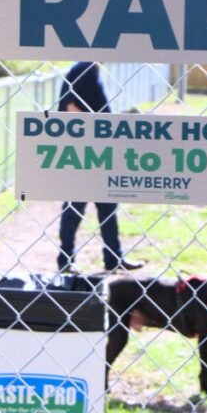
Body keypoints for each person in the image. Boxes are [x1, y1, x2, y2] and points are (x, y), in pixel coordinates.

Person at [56, 62, 144, 273]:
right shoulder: (83, 70)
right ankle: (66, 259)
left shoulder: (91, 70)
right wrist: (97, 126)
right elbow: (70, 107)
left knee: (107, 206)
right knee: (74, 207)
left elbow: (96, 108)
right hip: (81, 151)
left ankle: (113, 258)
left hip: (99, 151)